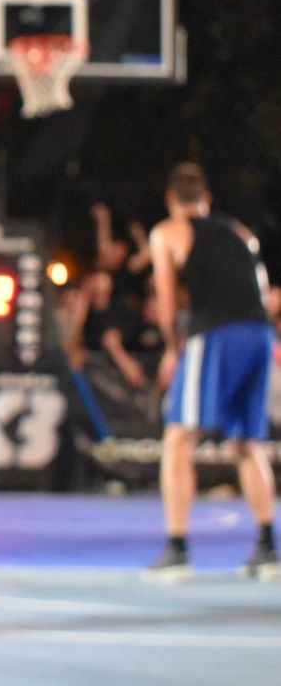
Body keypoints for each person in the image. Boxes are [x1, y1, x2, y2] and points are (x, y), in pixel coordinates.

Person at [145, 162, 278, 581]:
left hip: (216, 333)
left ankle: (177, 550)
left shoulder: (167, 232)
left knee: (178, 438)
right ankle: (268, 549)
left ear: (171, 199)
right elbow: (261, 289)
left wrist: (172, 349)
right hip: (260, 334)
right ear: (207, 198)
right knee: (247, 443)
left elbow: (167, 301)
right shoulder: (241, 231)